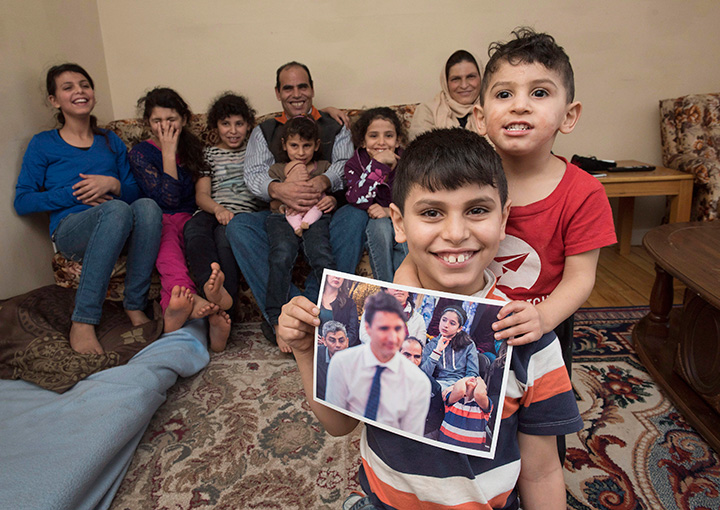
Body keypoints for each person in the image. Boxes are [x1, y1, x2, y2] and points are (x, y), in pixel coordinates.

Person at [278, 128, 582, 509]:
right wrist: (307, 352)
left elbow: (542, 473)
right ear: (399, 223)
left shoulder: (528, 336)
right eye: (432, 212)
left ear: (504, 219)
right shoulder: (375, 324)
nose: (455, 233)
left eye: (477, 210)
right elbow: (338, 425)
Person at [14, 63, 162, 355]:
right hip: (71, 230)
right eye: (68, 87)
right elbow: (24, 201)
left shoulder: (109, 140)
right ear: (54, 100)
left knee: (147, 206)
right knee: (117, 211)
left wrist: (113, 184)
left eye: (84, 85)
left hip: (118, 224)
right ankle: (82, 321)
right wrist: (73, 194)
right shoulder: (43, 143)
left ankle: (135, 305)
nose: (79, 91)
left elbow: (134, 191)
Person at [225, 61, 367, 341]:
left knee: (356, 216)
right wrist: (279, 191)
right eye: (288, 88)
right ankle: (287, 315)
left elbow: (345, 165)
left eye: (302, 86)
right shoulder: (264, 130)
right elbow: (253, 176)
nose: (296, 94)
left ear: (312, 89)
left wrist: (323, 181)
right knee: (238, 226)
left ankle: (319, 311)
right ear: (277, 93)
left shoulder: (334, 125)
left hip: (325, 211)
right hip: (280, 212)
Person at [128, 87, 231, 351]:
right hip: (160, 217)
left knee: (204, 242)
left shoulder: (194, 148)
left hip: (193, 215)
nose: (164, 126)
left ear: (184, 120)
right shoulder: (140, 152)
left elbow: (197, 195)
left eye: (171, 119)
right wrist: (167, 153)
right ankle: (183, 302)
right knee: (168, 245)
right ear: (147, 123)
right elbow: (168, 200)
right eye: (157, 121)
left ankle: (211, 314)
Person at [183, 93, 265, 316]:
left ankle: (224, 303)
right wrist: (218, 209)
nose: (233, 130)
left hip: (242, 217)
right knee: (194, 229)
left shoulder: (255, 151)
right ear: (215, 126)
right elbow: (201, 195)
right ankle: (209, 288)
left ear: (248, 125)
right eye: (225, 124)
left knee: (224, 237)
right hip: (213, 209)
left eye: (239, 124)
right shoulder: (208, 154)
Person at [265, 116, 336, 351]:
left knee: (321, 254)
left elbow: (337, 196)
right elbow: (273, 201)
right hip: (283, 219)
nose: (301, 152)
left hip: (316, 219)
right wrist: (282, 207)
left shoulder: (324, 168)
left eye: (307, 146)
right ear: (285, 145)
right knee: (281, 254)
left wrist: (332, 200)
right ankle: (276, 318)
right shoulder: (276, 170)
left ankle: (327, 313)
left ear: (316, 145)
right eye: (294, 146)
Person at [325, 291, 430, 436]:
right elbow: (335, 419)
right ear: (368, 328)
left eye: (398, 328)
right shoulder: (342, 363)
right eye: (384, 328)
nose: (392, 337)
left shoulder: (418, 383)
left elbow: (410, 437)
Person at [345, 107, 407, 282]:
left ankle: (406, 290)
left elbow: (418, 200)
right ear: (363, 142)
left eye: (388, 136)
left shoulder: (409, 162)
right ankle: (386, 290)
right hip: (374, 223)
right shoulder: (354, 164)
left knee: (405, 240)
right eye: (373, 136)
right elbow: (358, 200)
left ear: (397, 141)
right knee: (381, 228)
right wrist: (377, 166)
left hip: (401, 217)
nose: (381, 142)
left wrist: (388, 211)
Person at [408, 50, 483, 141]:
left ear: (481, 77)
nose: (464, 85)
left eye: (471, 77)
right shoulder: (427, 111)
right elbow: (420, 151)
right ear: (445, 82)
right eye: (456, 79)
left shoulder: (492, 108)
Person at [420, 304, 479, 389]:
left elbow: (473, 374)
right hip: (437, 385)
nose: (446, 325)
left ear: (459, 328)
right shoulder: (432, 344)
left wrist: (457, 386)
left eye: (452, 323)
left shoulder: (468, 344)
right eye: (444, 320)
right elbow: (423, 375)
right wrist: (437, 351)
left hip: (461, 386)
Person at [439, 375, 493, 451]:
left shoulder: (484, 404)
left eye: (476, 381)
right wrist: (465, 379)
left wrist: (480, 380)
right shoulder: (453, 399)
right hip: (446, 446)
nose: (473, 378)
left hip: (471, 451)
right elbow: (459, 391)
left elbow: (479, 394)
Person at [359, 287, 426, 345]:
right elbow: (364, 336)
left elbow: (420, 346)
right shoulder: (372, 309)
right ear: (386, 290)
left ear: (409, 293)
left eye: (403, 286)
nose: (399, 289)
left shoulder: (418, 319)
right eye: (394, 286)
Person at [319, 275, 359, 347]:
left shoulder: (349, 303)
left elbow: (353, 332)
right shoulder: (314, 296)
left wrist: (340, 345)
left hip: (340, 350)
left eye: (341, 275)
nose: (338, 277)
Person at [316, 320, 350, 400]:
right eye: (332, 340)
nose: (337, 345)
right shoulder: (316, 356)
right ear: (324, 341)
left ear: (347, 341)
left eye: (341, 341)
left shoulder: (356, 360)